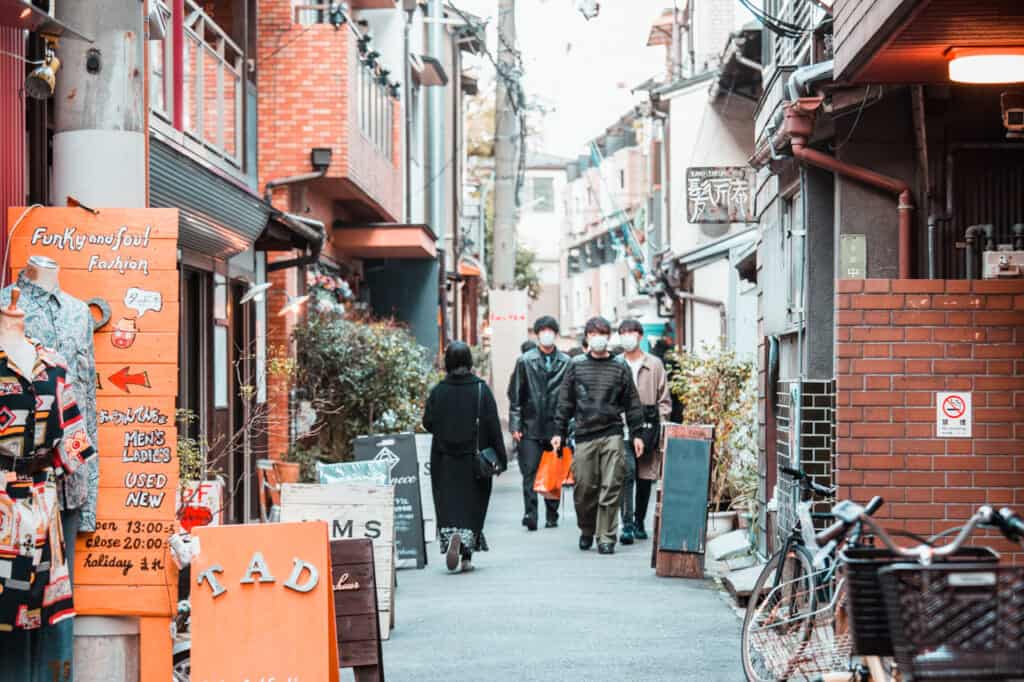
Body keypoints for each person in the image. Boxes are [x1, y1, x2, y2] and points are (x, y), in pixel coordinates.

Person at [552, 316, 644, 555]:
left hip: (612, 432)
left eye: (602, 334)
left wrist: (637, 433)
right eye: (593, 335)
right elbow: (565, 401)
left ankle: (606, 537)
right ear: (587, 338)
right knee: (584, 488)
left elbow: (632, 402)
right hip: (583, 434)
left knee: (611, 486)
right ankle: (587, 528)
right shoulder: (576, 365)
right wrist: (558, 432)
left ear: (608, 336)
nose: (598, 339)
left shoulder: (620, 366)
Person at [423, 341, 508, 573]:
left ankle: (454, 535)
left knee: (449, 504)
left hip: (445, 460)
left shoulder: (438, 391)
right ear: (470, 361)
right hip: (475, 460)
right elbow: (492, 426)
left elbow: (427, 422)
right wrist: (501, 458)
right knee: (473, 505)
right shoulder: (481, 389)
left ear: (447, 362)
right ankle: (466, 557)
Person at [509, 316, 570, 530]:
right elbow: (516, 395)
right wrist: (515, 425)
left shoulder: (565, 362)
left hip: (556, 426)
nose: (546, 334)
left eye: (550, 330)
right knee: (530, 472)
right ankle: (531, 513)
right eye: (542, 330)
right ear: (536, 334)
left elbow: (570, 396)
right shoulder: (525, 361)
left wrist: (566, 426)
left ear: (555, 334)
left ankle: (552, 513)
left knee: (553, 471)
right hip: (530, 425)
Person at [615, 319, 672, 543]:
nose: (628, 336)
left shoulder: (654, 364)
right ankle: (627, 524)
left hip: (649, 428)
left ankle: (639, 521)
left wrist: (660, 421)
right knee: (626, 474)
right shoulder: (616, 363)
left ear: (640, 336)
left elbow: (664, 398)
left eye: (632, 332)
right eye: (624, 332)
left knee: (645, 476)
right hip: (622, 429)